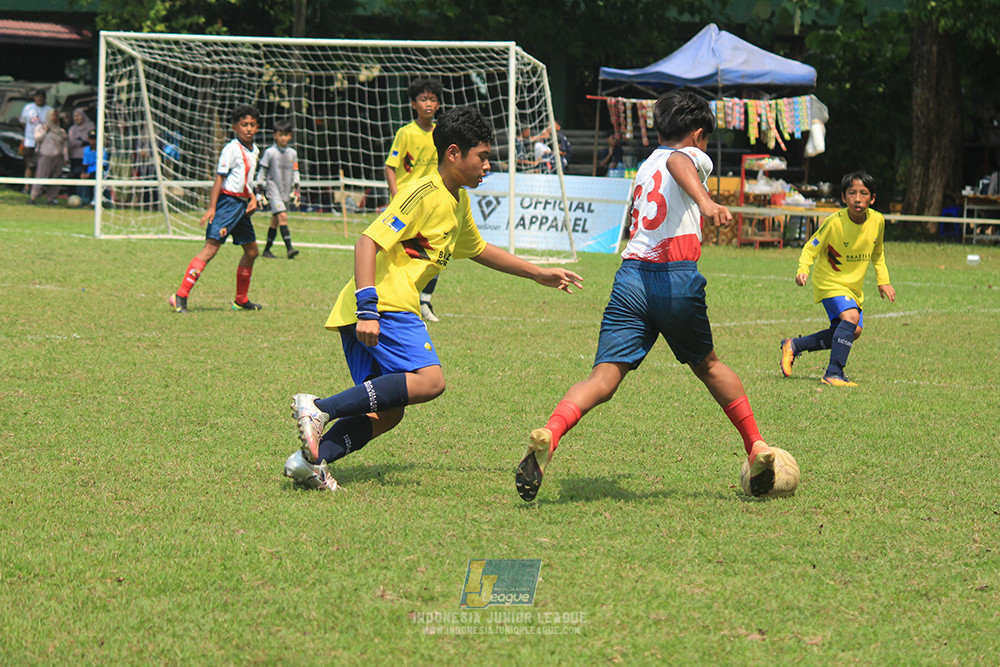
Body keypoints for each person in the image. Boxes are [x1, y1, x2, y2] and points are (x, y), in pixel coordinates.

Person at [283, 106, 584, 491]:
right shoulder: (422, 192)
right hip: (383, 304)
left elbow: (478, 249)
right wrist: (368, 308)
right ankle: (319, 408)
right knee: (431, 381)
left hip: (373, 308)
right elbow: (366, 242)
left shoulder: (458, 202)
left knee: (388, 414)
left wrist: (539, 273)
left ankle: (311, 460)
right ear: (454, 154)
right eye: (483, 156)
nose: (487, 165)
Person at [515, 90, 783, 502]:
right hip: (673, 280)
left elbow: (669, 164)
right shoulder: (689, 155)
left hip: (631, 280)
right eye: (705, 140)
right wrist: (707, 202)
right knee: (709, 366)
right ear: (697, 134)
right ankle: (757, 445)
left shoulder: (644, 167)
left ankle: (551, 431)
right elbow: (681, 162)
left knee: (602, 378)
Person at [779, 171, 896, 386]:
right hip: (829, 282)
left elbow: (878, 254)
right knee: (850, 319)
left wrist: (883, 280)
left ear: (873, 198)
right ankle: (833, 373)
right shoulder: (834, 222)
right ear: (843, 197)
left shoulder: (878, 221)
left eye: (863, 193)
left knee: (854, 330)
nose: (858, 198)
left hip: (852, 288)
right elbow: (811, 247)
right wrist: (802, 269)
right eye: (852, 193)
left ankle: (794, 345)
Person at [168, 104, 263, 314]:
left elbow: (246, 179)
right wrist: (212, 207)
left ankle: (241, 300)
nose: (248, 128)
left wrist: (253, 197)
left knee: (252, 251)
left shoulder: (254, 150)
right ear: (235, 127)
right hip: (228, 205)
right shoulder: (231, 149)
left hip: (241, 206)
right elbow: (220, 178)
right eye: (244, 124)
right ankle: (180, 295)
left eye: (253, 125)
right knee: (210, 250)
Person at [385, 77, 445, 322]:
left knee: (437, 251)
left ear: (439, 105)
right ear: (413, 104)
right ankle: (398, 299)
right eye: (423, 99)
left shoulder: (442, 133)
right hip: (406, 203)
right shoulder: (405, 133)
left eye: (432, 99)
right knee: (400, 252)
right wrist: (396, 196)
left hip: (432, 203)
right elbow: (391, 166)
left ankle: (425, 301)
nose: (428, 104)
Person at [257, 119, 301, 259]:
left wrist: (297, 189)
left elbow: (295, 171)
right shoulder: (270, 152)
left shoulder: (292, 153)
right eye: (280, 134)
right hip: (273, 190)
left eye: (285, 135)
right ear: (275, 136)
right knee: (282, 215)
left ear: (290, 136)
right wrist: (259, 191)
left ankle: (267, 250)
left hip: (285, 190)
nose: (283, 138)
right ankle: (289, 248)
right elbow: (262, 171)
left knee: (275, 220)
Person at [29, 109, 68, 205]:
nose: (54, 118)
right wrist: (45, 132)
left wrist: (66, 158)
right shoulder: (42, 127)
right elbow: (37, 138)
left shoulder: (60, 130)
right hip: (45, 156)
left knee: (55, 177)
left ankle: (51, 198)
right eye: (52, 115)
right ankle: (33, 197)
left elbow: (64, 145)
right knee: (41, 176)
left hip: (57, 157)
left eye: (56, 115)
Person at [19, 89, 53, 194]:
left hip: (44, 142)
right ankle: (27, 187)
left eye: (42, 96)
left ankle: (38, 188)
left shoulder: (49, 109)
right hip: (30, 141)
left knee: (41, 166)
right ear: (34, 98)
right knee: (30, 164)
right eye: (38, 96)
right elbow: (23, 122)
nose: (40, 98)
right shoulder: (28, 108)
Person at [67, 108, 95, 201]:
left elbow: (90, 140)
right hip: (76, 157)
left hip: (89, 158)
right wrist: (83, 141)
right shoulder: (72, 129)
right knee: (77, 176)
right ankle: (77, 197)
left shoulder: (90, 126)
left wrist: (81, 140)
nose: (77, 118)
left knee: (88, 177)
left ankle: (87, 198)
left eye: (78, 115)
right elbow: (72, 142)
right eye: (75, 116)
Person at [81, 129, 98, 205]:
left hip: (100, 172)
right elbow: (85, 163)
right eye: (91, 139)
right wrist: (84, 173)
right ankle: (84, 200)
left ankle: (95, 200)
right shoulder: (86, 150)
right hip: (89, 171)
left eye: (95, 139)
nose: (93, 141)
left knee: (94, 178)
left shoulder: (103, 150)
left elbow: (103, 166)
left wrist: (90, 174)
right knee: (83, 178)